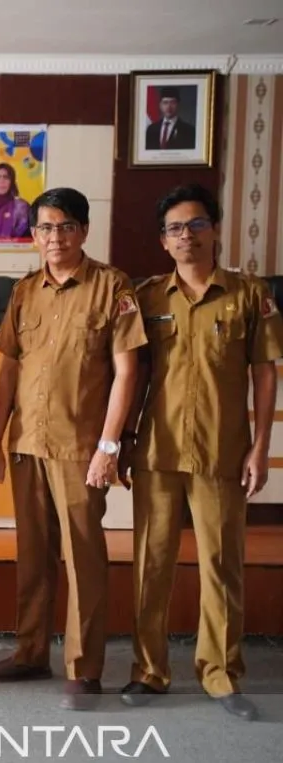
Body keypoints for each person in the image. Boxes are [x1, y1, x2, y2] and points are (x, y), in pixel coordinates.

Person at [0, 187, 147, 710]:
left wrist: (109, 446)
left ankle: (84, 668)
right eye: (46, 228)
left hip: (80, 447)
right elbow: (8, 369)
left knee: (82, 558)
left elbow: (127, 371)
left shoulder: (111, 286)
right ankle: (30, 652)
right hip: (28, 442)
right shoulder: (25, 291)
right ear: (34, 235)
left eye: (66, 226)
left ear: (84, 231)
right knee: (34, 556)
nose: (56, 237)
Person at [118, 184, 283, 721]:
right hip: (157, 451)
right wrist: (123, 441)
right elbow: (134, 375)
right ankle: (149, 671)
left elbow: (264, 373)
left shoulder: (249, 295)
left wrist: (261, 448)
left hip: (221, 451)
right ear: (163, 242)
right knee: (151, 565)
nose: (185, 236)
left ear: (214, 230)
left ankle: (221, 674)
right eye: (174, 228)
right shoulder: (147, 298)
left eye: (195, 225)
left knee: (221, 564)